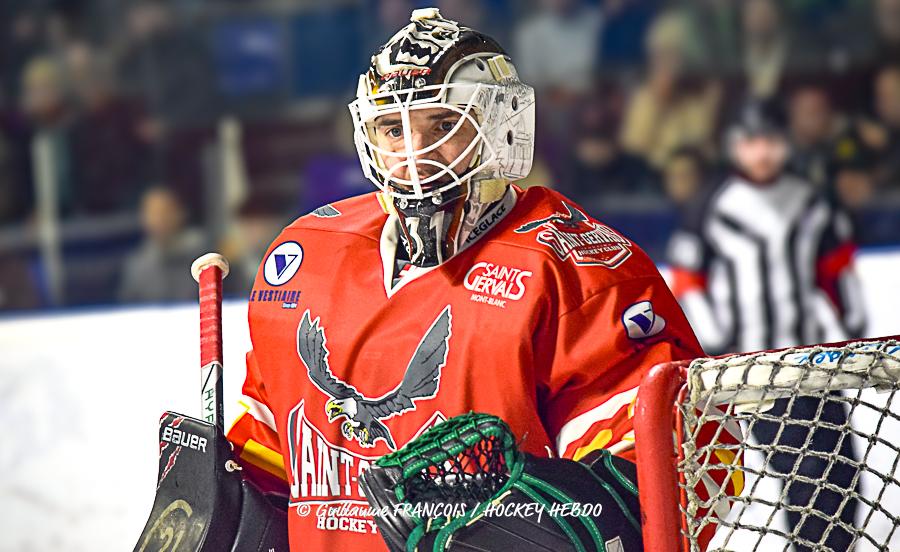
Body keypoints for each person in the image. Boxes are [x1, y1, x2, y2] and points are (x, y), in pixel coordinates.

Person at [226, 8, 737, 551]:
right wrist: (221, 497)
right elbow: (270, 449)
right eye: (393, 129)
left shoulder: (575, 269)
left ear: (498, 127)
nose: (415, 154)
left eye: (442, 126)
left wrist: (528, 525)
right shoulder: (307, 256)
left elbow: (689, 468)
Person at [667, 100, 866, 551]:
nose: (762, 153)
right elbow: (689, 279)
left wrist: (852, 323)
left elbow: (836, 267)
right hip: (754, 372)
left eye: (771, 141)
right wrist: (715, 344)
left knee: (844, 474)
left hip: (813, 364)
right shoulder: (713, 205)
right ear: (735, 146)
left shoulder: (809, 200)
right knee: (806, 473)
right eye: (752, 142)